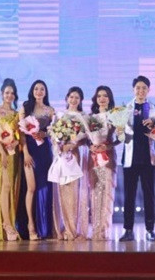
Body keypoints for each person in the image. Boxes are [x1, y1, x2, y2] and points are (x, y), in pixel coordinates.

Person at [119, 76, 155, 242]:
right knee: (129, 195)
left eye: (144, 88)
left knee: (149, 195)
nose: (141, 91)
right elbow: (121, 135)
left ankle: (150, 229)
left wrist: (154, 125)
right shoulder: (124, 109)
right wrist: (119, 131)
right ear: (133, 89)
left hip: (148, 158)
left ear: (149, 90)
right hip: (130, 157)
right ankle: (128, 230)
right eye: (138, 87)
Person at [18, 79, 55, 240]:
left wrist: (45, 134)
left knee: (44, 188)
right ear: (32, 91)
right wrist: (25, 153)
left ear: (45, 92)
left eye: (42, 89)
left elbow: (54, 131)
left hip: (45, 151)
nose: (39, 91)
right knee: (31, 188)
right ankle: (31, 226)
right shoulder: (25, 108)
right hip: (30, 150)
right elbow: (21, 134)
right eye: (36, 89)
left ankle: (44, 227)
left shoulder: (50, 110)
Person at [0, 78, 21, 241]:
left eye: (12, 93)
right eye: (7, 92)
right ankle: (6, 225)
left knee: (8, 187)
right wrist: (2, 152)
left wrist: (15, 142)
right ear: (2, 94)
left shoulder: (16, 114)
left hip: (12, 152)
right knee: (3, 185)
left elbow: (19, 135)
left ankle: (8, 223)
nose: (9, 95)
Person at [54, 86, 90, 240]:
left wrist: (74, 144)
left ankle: (75, 228)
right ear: (67, 98)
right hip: (62, 156)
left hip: (76, 156)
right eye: (71, 97)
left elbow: (86, 139)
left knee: (75, 192)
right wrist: (59, 146)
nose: (74, 100)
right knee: (63, 190)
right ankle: (66, 228)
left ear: (80, 100)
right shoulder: (60, 115)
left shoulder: (84, 117)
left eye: (77, 97)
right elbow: (54, 136)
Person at [89, 85, 119, 241]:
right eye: (99, 96)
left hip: (108, 157)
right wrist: (91, 145)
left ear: (110, 99)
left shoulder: (114, 116)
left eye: (105, 96)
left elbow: (121, 138)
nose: (102, 98)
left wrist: (107, 146)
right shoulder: (90, 118)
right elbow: (86, 138)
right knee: (96, 193)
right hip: (94, 158)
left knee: (107, 193)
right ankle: (96, 230)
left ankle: (104, 230)